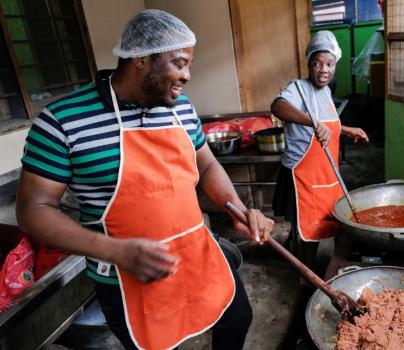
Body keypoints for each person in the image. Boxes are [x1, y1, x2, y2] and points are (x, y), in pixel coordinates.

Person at [16, 9, 273, 350]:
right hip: (126, 276)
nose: (187, 76)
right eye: (179, 63)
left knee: (237, 318)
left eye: (189, 65)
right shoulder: (62, 121)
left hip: (198, 254)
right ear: (140, 59)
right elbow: (34, 210)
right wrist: (115, 251)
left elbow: (208, 165)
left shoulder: (181, 108)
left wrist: (237, 208)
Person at [271, 31, 369, 282]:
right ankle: (307, 275)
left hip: (327, 172)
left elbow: (329, 124)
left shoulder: (325, 91)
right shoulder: (298, 87)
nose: (323, 70)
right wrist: (311, 122)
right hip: (304, 174)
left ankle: (340, 267)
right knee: (309, 228)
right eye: (317, 63)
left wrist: (346, 129)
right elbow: (277, 106)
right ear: (309, 65)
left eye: (329, 64)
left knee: (336, 221)